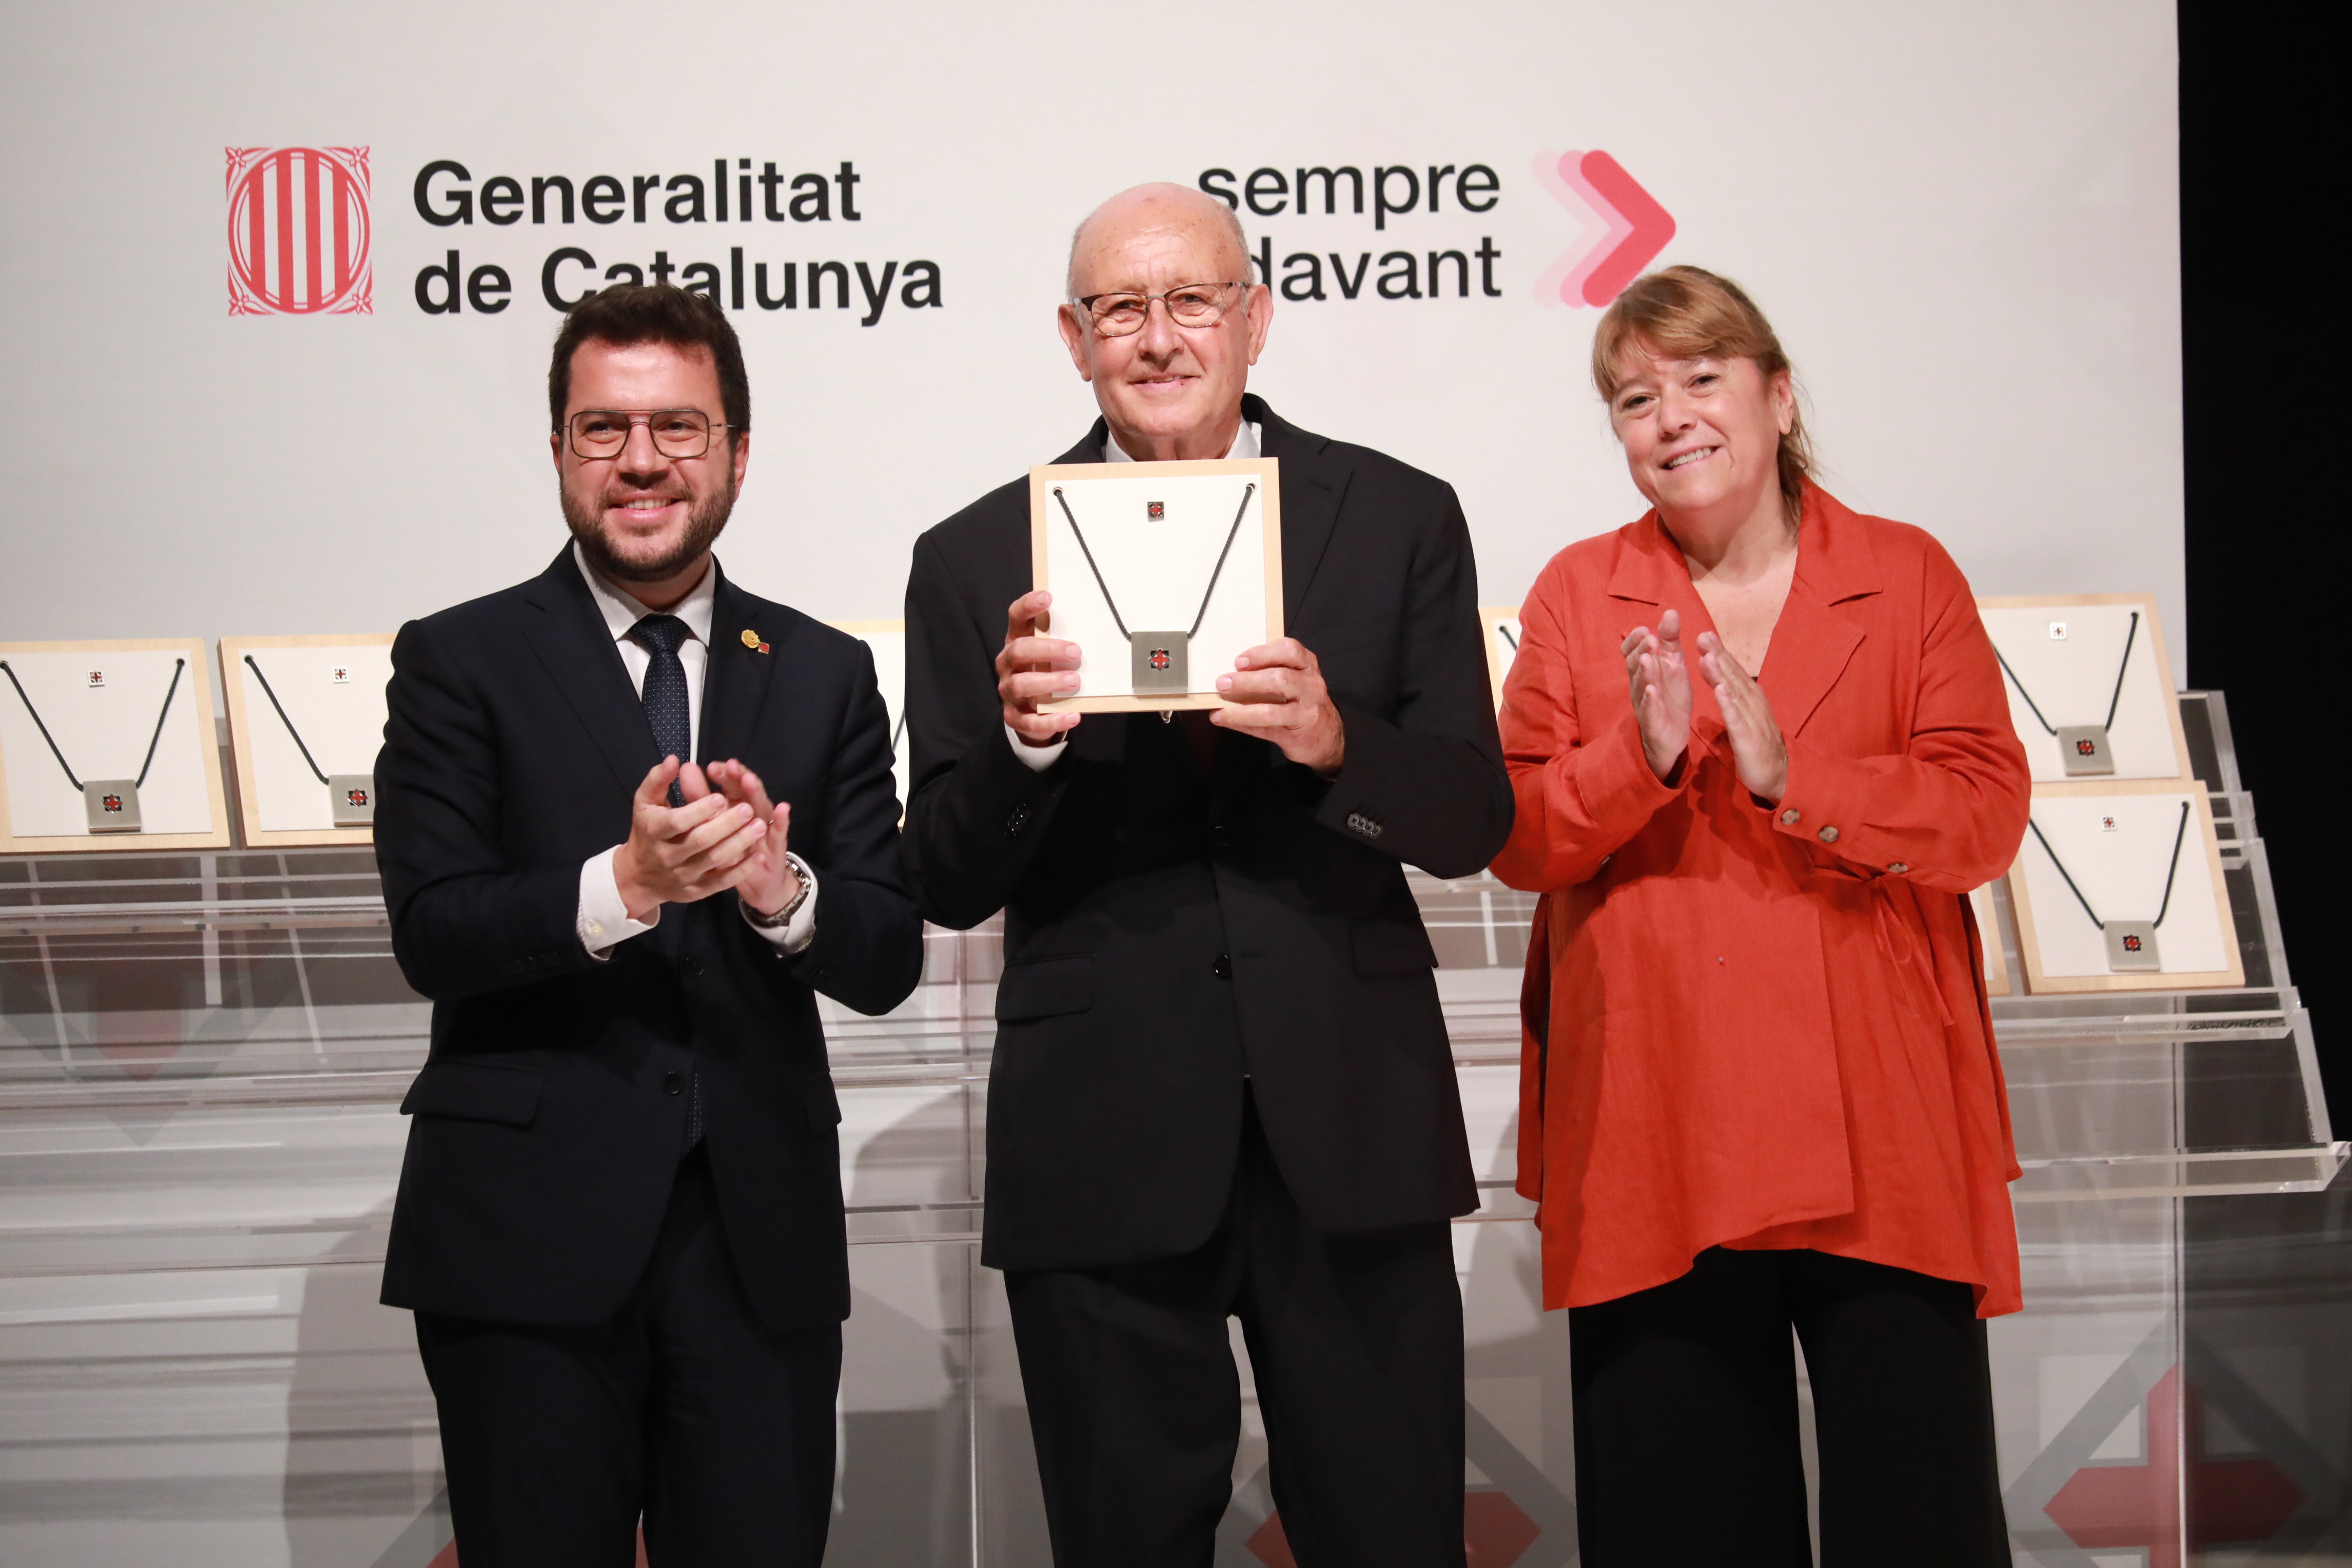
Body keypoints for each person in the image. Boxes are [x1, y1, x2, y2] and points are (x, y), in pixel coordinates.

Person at [900, 183, 1511, 1567]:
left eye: (1192, 301)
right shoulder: (977, 557)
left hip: (1351, 1125)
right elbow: (936, 873)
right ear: (1074, 337)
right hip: (1100, 1143)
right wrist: (1023, 751)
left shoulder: (1398, 515)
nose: (1160, 337)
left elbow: (1474, 816)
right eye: (1123, 308)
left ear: (1256, 317)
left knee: (1394, 1535)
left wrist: (1339, 744)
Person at [373, 283, 924, 1567]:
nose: (641, 462)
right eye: (602, 429)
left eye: (678, 427)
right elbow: (433, 930)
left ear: (737, 451)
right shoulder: (458, 658)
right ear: (560, 452)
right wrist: (623, 883)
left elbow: (889, 953)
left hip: (759, 1242)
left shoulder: (827, 669)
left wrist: (784, 898)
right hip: (521, 1241)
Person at [1491, 265, 2030, 1566]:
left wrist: (1797, 776)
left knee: (1920, 1515)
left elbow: (1982, 818)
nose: (1668, 416)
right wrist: (1646, 758)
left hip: (1880, 1115)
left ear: (1779, 397)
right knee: (1683, 1518)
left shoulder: (1905, 576)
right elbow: (1514, 835)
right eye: (1632, 397)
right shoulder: (1576, 592)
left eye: (1701, 378)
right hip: (1655, 1118)